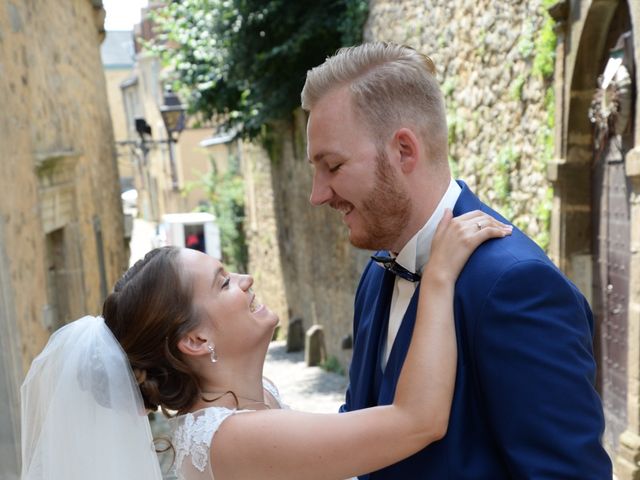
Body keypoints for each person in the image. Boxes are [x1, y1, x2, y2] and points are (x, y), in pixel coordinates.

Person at [302, 42, 612, 479]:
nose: (317, 195)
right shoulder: (377, 273)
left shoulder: (515, 285)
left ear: (404, 151)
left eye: (332, 166)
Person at [21, 211, 510, 480]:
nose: (247, 278)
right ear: (196, 339)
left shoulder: (259, 399)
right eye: (223, 283)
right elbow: (417, 421)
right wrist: (440, 277)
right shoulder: (230, 438)